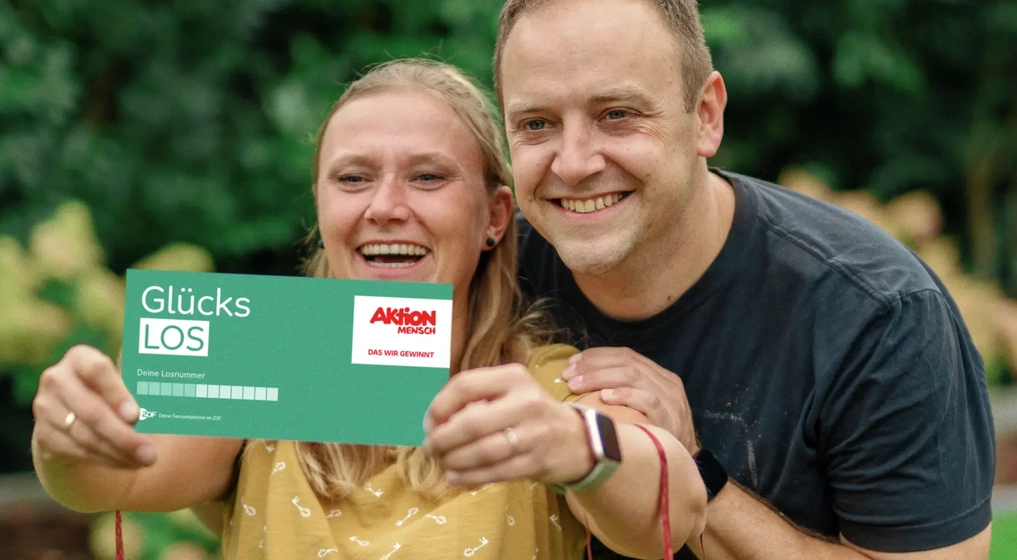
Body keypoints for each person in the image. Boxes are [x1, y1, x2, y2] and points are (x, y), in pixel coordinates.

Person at [30, 59, 707, 559]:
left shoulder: (548, 387)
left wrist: (575, 446)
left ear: (494, 217)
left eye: (427, 177)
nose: (384, 206)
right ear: (322, 207)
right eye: (353, 178)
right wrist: (67, 437)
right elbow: (106, 475)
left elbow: (673, 511)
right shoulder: (262, 358)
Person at [493, 0, 995, 559]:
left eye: (617, 115)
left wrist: (694, 469)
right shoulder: (478, 272)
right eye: (536, 124)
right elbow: (394, 455)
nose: (574, 162)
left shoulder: (879, 314)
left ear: (706, 116)